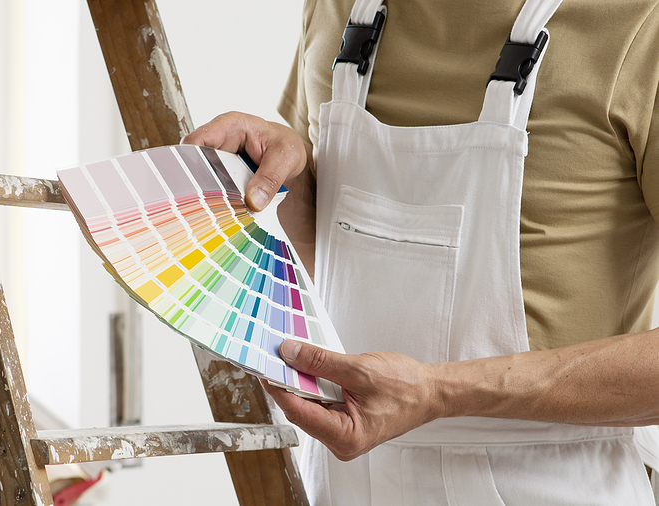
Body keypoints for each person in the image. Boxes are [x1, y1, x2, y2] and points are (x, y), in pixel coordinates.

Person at [182, 0, 659, 503]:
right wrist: (291, 188)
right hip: (341, 482)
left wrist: (439, 393)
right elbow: (343, 274)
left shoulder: (638, 23)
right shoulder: (338, 10)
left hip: (544, 485)